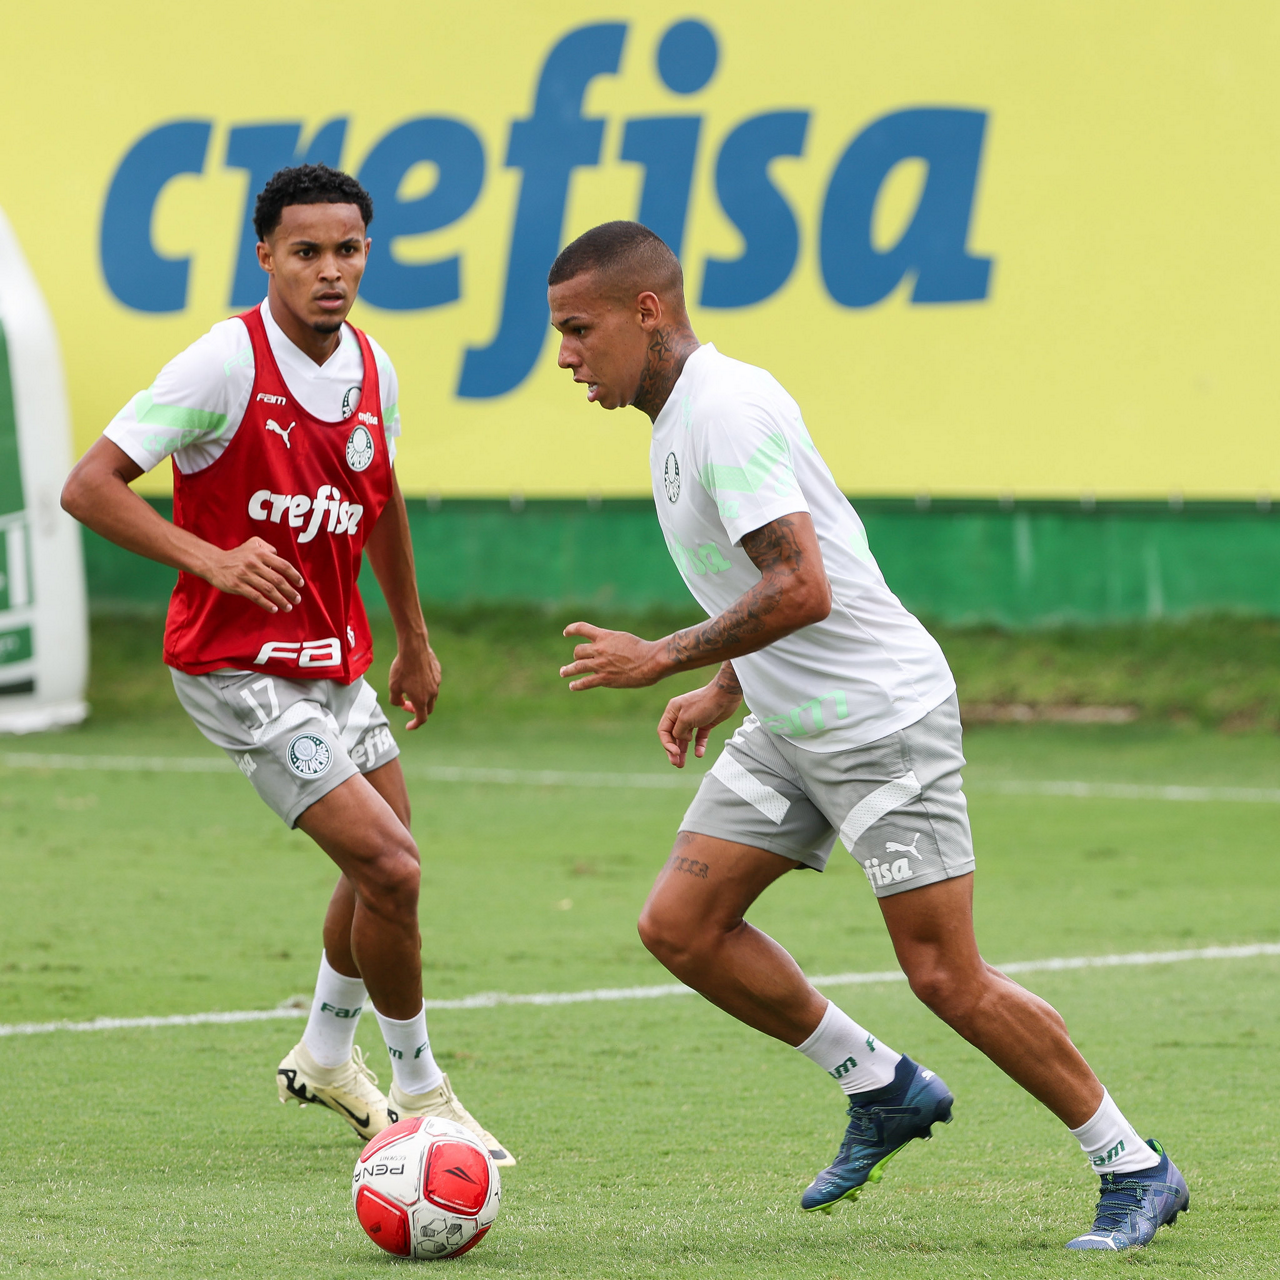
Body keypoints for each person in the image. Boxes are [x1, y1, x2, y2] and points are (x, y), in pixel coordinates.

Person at [546, 220, 1185, 1250]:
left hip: (878, 722)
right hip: (788, 724)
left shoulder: (723, 410)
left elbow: (804, 584)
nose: (566, 356)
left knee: (946, 976)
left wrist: (661, 657)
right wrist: (725, 685)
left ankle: (1134, 1165)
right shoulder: (678, 418)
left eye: (578, 330)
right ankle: (881, 1084)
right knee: (681, 925)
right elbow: (778, 575)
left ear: (646, 311)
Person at [62, 164, 513, 1166]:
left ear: (367, 253)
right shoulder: (223, 362)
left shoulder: (374, 369)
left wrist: (414, 635)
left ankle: (325, 1054)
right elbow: (89, 486)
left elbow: (380, 497)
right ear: (265, 255)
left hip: (334, 660)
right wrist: (210, 557)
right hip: (237, 668)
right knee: (391, 866)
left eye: (347, 250)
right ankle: (423, 1092)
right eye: (306, 252)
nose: (329, 270)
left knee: (382, 858)